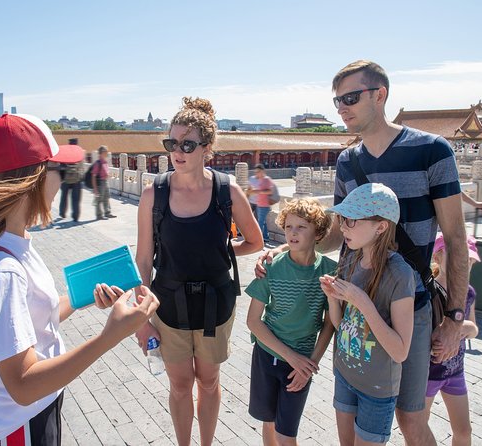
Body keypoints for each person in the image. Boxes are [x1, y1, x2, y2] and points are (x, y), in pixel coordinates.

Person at [257, 60, 469, 445]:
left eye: (350, 98)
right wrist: (285, 250)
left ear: (380, 94)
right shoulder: (347, 161)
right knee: (351, 416)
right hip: (353, 309)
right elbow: (340, 232)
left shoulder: (432, 151)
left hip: (410, 302)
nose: (341, 108)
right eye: (337, 101)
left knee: (411, 417)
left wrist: (455, 317)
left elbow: (454, 238)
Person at [0, 113, 159, 445]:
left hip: (29, 416)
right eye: (59, 171)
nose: (64, 182)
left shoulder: (6, 242)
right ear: (34, 179)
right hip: (15, 429)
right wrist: (109, 336)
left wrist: (80, 295)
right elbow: (24, 384)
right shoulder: (1, 273)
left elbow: (25, 324)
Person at [134, 97, 263, 446]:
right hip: (169, 304)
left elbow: (254, 241)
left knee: (208, 381)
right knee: (179, 385)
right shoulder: (154, 194)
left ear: (206, 148)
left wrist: (221, 249)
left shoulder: (226, 191)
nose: (178, 151)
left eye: (187, 144)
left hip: (215, 306)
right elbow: (144, 260)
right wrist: (139, 317)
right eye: (172, 143)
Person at [319, 183, 415, 445]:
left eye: (351, 220)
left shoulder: (400, 274)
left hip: (377, 389)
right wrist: (332, 296)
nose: (342, 227)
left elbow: (400, 351)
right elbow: (341, 326)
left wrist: (361, 301)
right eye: (342, 219)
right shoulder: (350, 259)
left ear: (381, 226)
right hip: (345, 374)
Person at [245, 198, 336, 445]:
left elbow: (330, 324)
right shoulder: (271, 267)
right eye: (288, 227)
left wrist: (310, 364)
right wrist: (290, 355)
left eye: (301, 227)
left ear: (318, 232)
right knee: (269, 421)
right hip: (266, 354)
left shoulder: (329, 271)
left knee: (287, 434)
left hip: (302, 363)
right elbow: (253, 321)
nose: (292, 233)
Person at [424, 233, 480, 446]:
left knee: (464, 431)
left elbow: (474, 329)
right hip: (428, 374)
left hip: (456, 373)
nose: (464, 266)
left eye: (469, 262)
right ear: (437, 258)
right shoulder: (429, 293)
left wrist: (466, 327)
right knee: (419, 425)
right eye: (458, 259)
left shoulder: (469, 293)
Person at [58, 145, 85, 222]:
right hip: (76, 180)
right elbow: (82, 168)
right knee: (76, 199)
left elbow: (60, 166)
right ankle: (75, 216)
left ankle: (62, 213)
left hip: (66, 180)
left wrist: (61, 178)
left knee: (64, 197)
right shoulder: (79, 154)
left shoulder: (65, 154)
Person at [251, 164, 275, 242]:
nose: (256, 173)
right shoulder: (260, 180)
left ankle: (257, 240)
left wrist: (258, 191)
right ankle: (266, 237)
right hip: (259, 204)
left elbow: (271, 191)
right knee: (263, 222)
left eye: (258, 172)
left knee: (260, 222)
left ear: (262, 171)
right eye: (255, 172)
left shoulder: (267, 179)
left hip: (264, 205)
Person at [91, 145, 116, 219]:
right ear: (102, 153)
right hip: (100, 183)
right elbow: (93, 176)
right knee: (99, 199)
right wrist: (95, 188)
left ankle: (107, 212)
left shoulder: (105, 162)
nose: (107, 153)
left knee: (106, 197)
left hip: (105, 181)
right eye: (106, 151)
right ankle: (99, 215)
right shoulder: (97, 163)